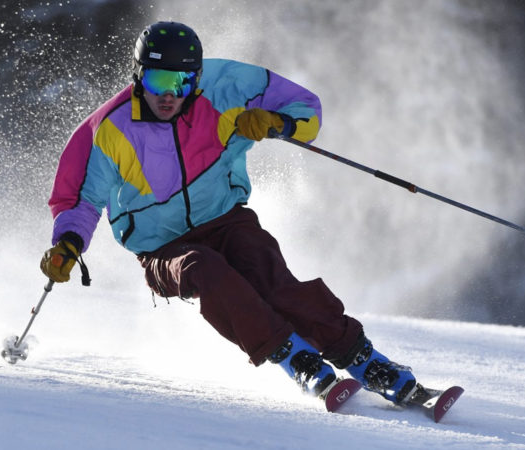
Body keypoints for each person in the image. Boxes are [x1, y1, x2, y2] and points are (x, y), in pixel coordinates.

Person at [41, 21, 417, 405]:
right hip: (161, 249)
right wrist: (69, 242)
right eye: (157, 81)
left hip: (226, 218)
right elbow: (80, 197)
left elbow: (306, 107)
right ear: (138, 75)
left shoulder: (227, 86)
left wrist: (278, 123)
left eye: (181, 83)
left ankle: (364, 359)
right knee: (203, 267)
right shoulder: (110, 129)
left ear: (197, 78)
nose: (168, 95)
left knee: (269, 274)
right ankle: (293, 357)